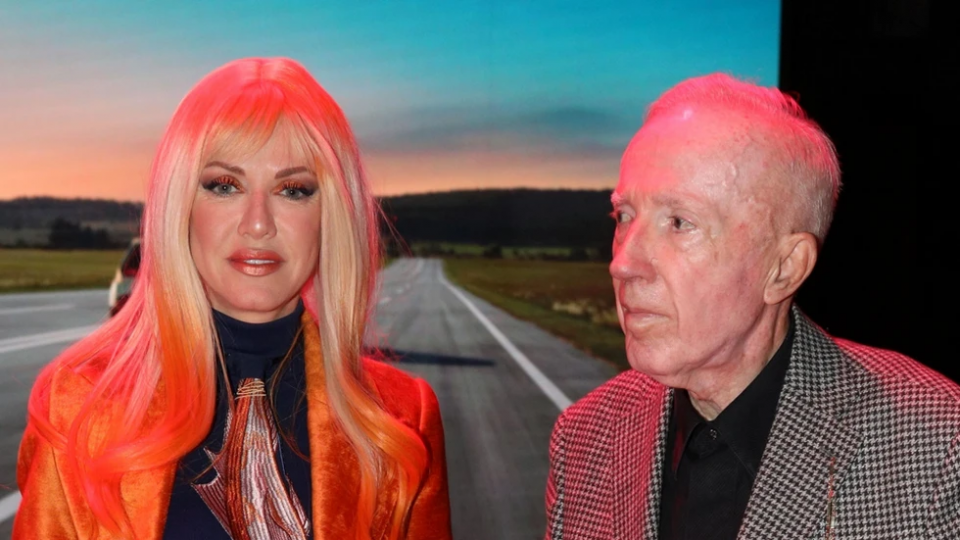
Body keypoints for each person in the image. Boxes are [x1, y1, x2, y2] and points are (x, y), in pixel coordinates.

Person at [14, 57, 452, 540]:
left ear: (333, 212)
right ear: (180, 203)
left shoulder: (403, 417)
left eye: (293, 190)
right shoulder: (76, 406)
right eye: (224, 186)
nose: (258, 223)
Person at [544, 73, 960, 539]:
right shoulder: (586, 439)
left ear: (785, 267)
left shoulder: (936, 448)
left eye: (679, 222)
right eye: (624, 216)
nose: (623, 263)